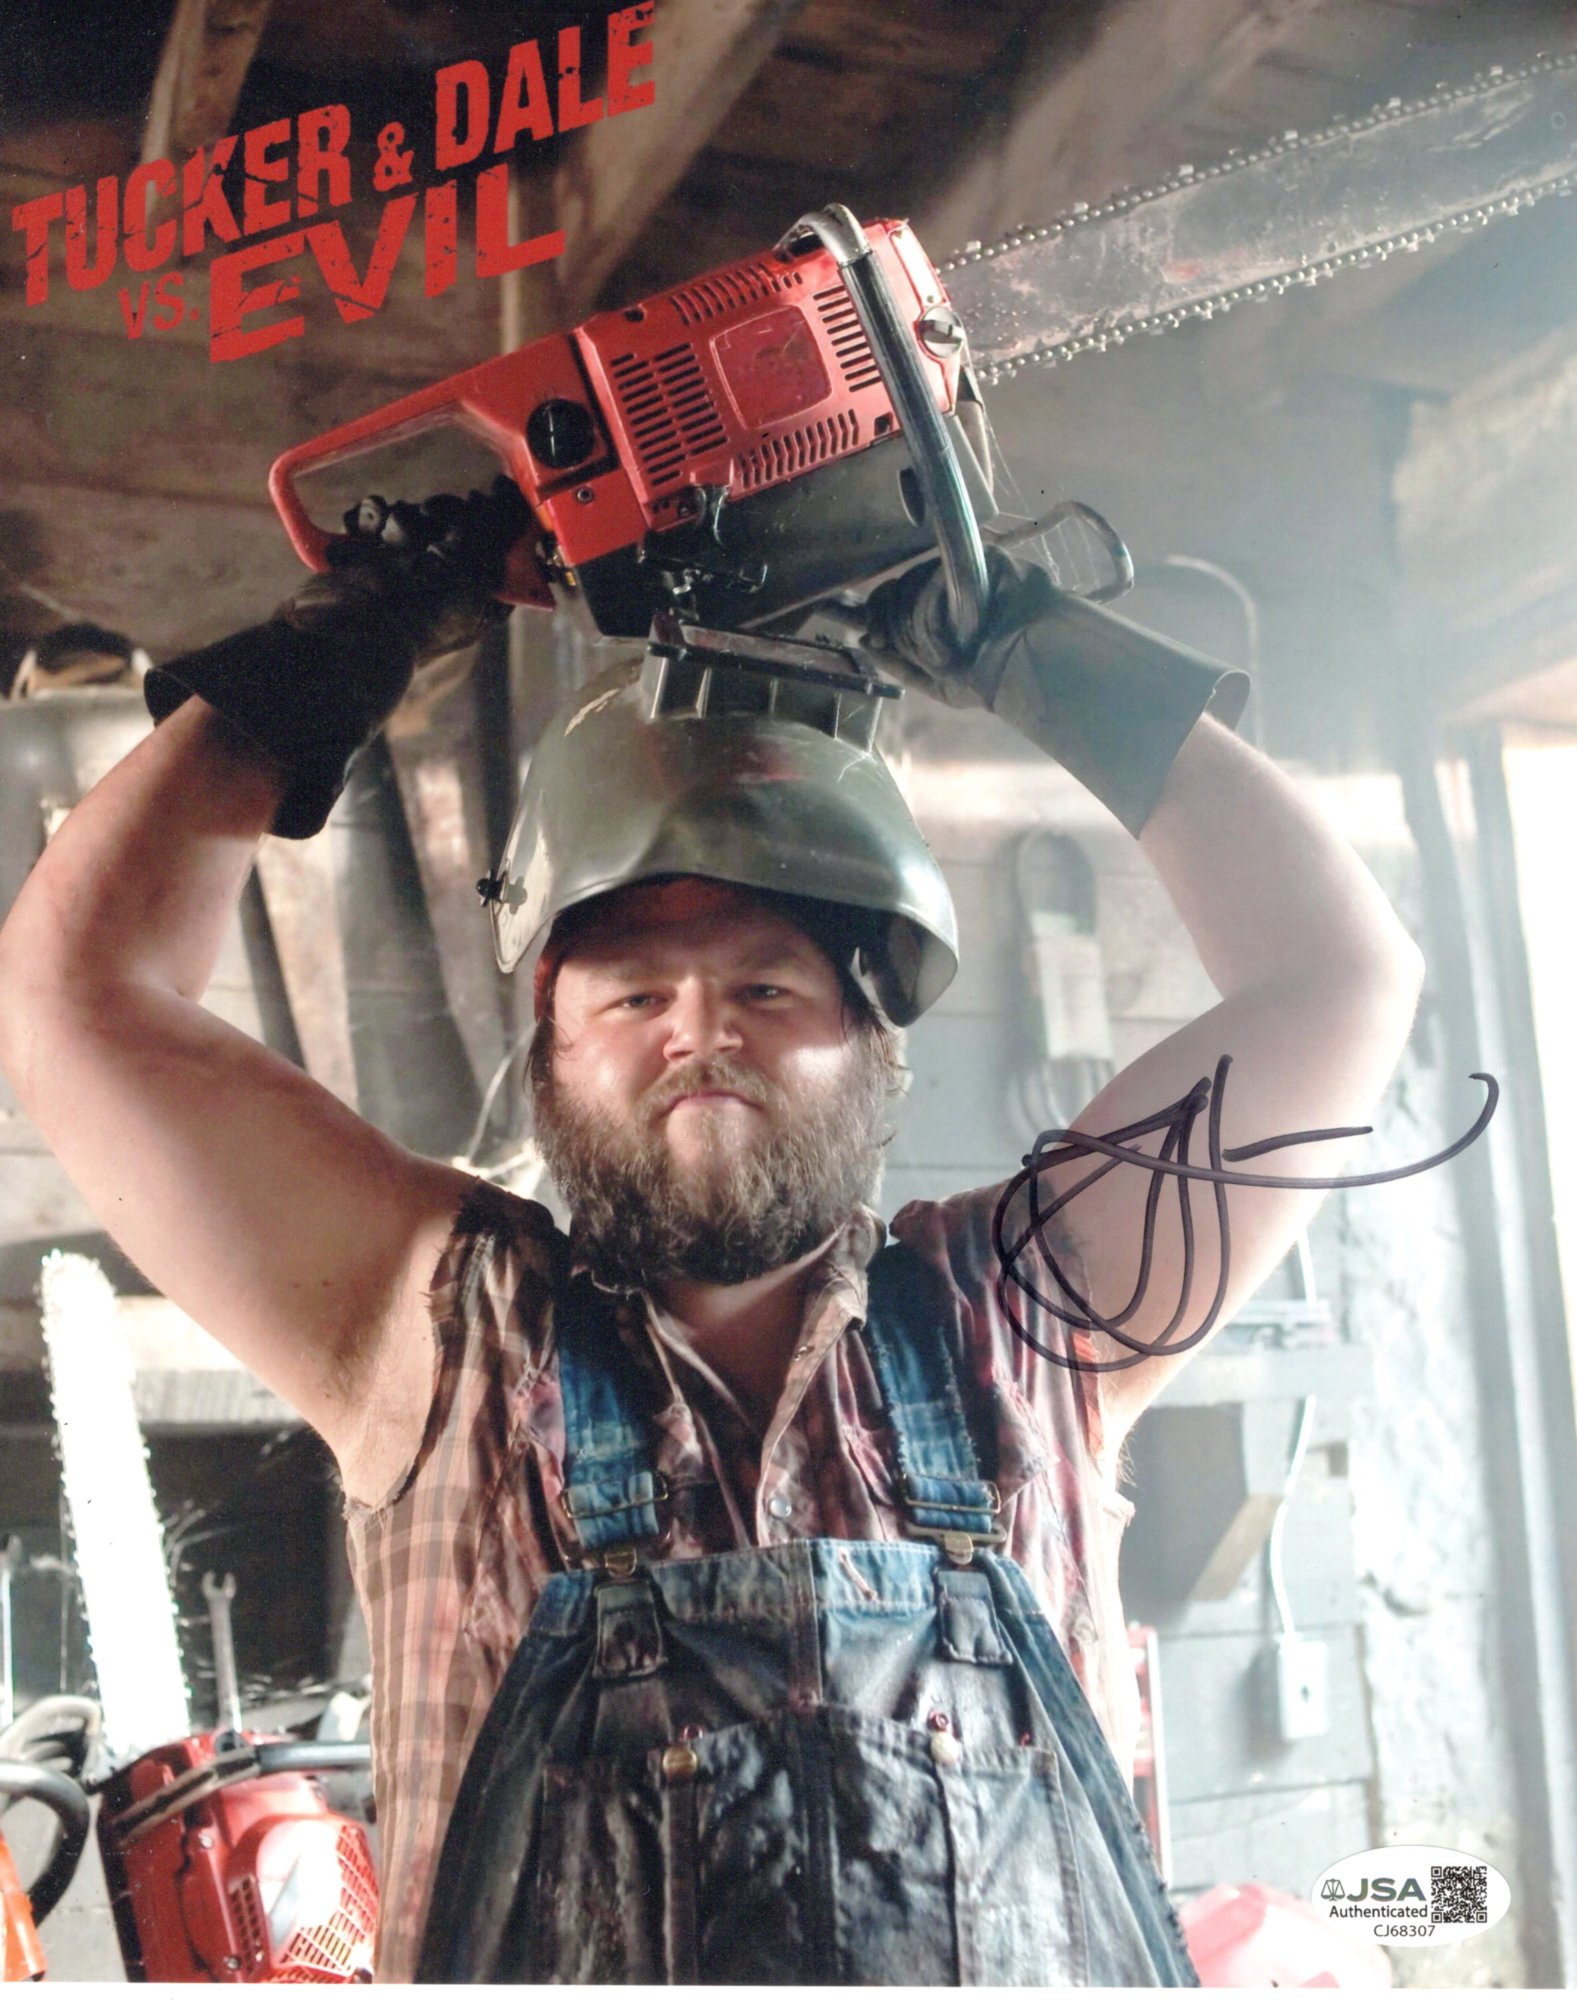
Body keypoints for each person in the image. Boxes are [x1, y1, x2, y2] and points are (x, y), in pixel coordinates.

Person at [0, 490, 1422, 1983]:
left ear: (874, 1046)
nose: (699, 1030)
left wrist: (1018, 642)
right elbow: (74, 999)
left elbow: (1342, 979)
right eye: (633, 993)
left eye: (766, 987)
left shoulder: (1030, 1314)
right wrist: (369, 624)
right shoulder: (437, 1333)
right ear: (550, 1056)